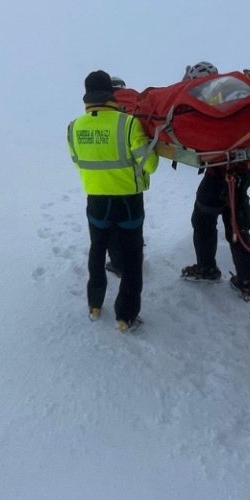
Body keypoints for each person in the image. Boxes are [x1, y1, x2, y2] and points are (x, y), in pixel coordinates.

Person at [68, 70, 158, 333]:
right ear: (111, 93)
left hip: (96, 201)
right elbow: (150, 165)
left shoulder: (74, 127)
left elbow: (78, 161)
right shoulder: (128, 124)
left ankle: (95, 304)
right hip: (128, 202)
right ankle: (125, 317)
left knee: (97, 250)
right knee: (132, 259)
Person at [177, 61, 250, 299]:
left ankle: (207, 268)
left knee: (202, 220)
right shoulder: (234, 96)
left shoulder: (207, 102)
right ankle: (246, 281)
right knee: (237, 225)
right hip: (242, 172)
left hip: (219, 174)